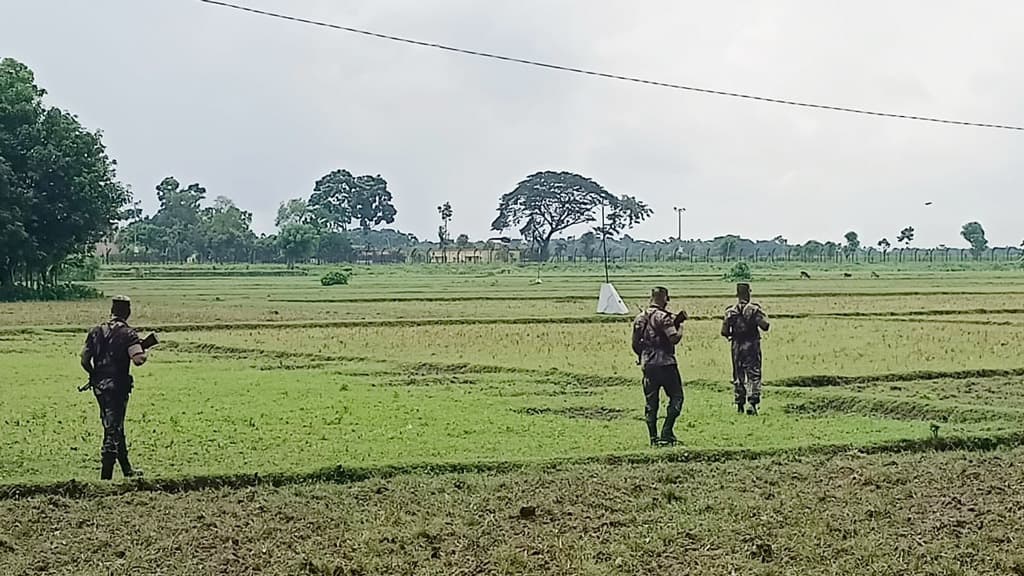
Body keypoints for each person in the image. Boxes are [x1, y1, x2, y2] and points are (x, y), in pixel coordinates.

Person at [81, 295, 149, 480]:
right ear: (128, 312)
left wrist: (94, 374)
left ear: (111, 311)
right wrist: (144, 351)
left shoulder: (96, 331)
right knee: (113, 429)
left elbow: (84, 359)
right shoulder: (128, 334)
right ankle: (106, 477)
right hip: (117, 387)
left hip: (99, 387)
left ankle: (127, 470)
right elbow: (138, 359)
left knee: (115, 426)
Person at [631, 287, 687, 446]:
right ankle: (667, 432)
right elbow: (673, 338)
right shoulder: (664, 317)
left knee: (651, 402)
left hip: (648, 365)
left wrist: (642, 356)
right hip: (667, 364)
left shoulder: (639, 318)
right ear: (664, 298)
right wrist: (681, 327)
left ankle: (653, 438)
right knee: (677, 397)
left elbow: (635, 344)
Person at [721, 283, 770, 415]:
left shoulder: (730, 312)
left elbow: (724, 332)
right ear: (749, 292)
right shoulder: (754, 310)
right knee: (754, 374)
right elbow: (765, 325)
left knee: (738, 375)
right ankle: (752, 404)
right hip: (752, 345)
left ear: (737, 294)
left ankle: (739, 404)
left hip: (737, 346)